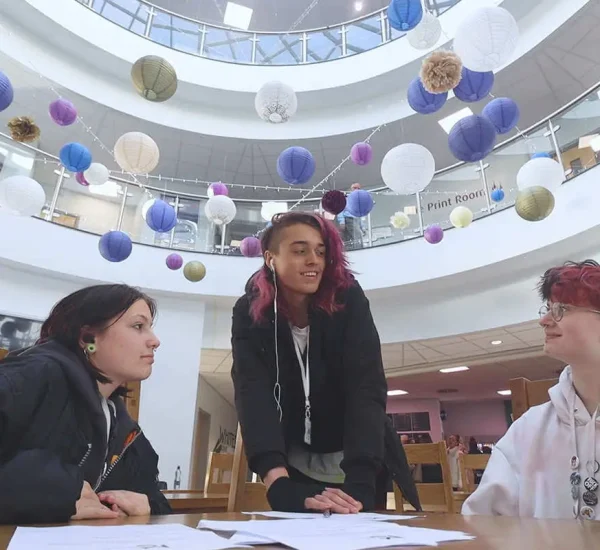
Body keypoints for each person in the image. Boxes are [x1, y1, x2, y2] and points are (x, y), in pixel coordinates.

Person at [231, 212, 419, 514]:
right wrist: (277, 482)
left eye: (320, 252)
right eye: (300, 250)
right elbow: (252, 393)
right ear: (270, 258)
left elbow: (366, 386)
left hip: (359, 461)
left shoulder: (348, 299)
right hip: (295, 466)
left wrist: (361, 482)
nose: (314, 261)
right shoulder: (249, 313)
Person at [0, 284, 171, 524]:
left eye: (150, 328)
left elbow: (154, 495)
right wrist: (55, 494)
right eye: (138, 326)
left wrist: (148, 504)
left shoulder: (121, 425)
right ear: (88, 338)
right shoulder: (32, 376)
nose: (155, 341)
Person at [463, 260, 600, 520]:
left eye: (561, 309)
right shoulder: (528, 430)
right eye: (547, 309)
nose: (544, 320)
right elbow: (482, 524)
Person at [337, 183, 365, 250]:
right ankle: (358, 249)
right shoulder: (346, 199)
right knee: (356, 236)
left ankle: (356, 249)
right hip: (349, 219)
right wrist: (342, 221)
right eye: (354, 188)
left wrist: (363, 227)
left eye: (358, 188)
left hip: (356, 219)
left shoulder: (358, 200)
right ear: (350, 189)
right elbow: (340, 210)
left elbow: (360, 214)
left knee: (355, 236)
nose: (356, 190)